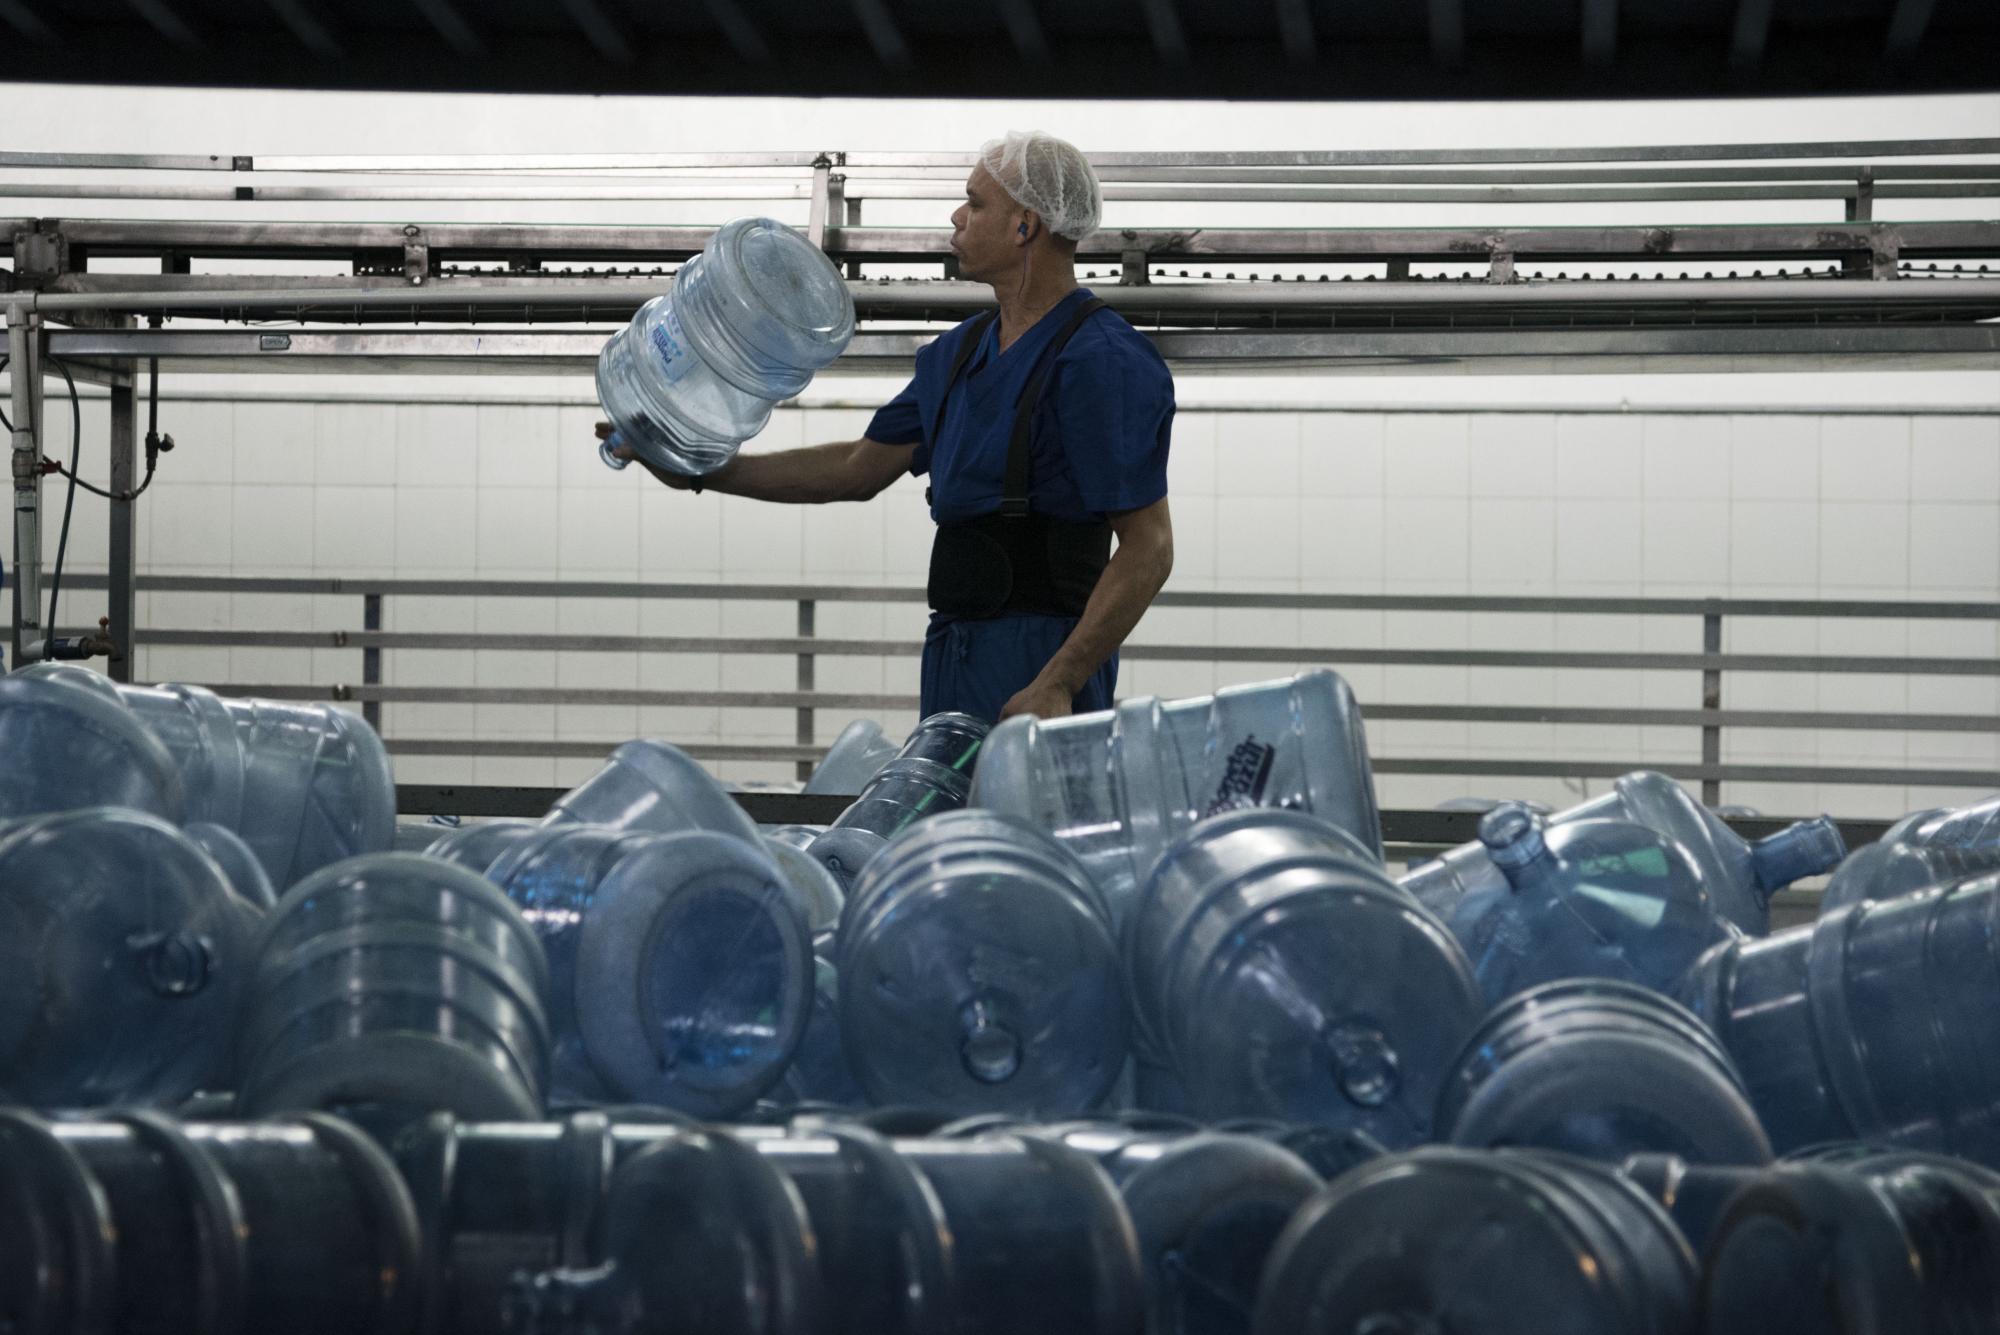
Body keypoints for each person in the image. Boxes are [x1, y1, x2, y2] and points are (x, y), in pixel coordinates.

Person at [600, 130, 1175, 723]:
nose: (957, 216)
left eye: (975, 204)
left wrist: (1061, 679)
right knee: (952, 815)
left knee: (1026, 816)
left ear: (1024, 226)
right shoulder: (957, 356)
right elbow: (856, 467)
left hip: (1040, 655)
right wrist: (700, 466)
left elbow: (1149, 546)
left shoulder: (1101, 361)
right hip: (955, 647)